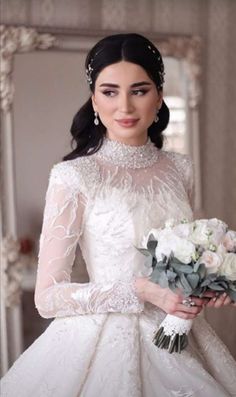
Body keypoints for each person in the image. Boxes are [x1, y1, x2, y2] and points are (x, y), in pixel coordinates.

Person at [1, 33, 236, 397]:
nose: (124, 106)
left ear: (159, 96)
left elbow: (183, 256)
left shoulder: (180, 168)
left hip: (179, 336)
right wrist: (138, 290)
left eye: (139, 91)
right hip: (102, 340)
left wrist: (208, 284)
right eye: (109, 91)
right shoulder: (75, 176)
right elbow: (47, 298)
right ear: (94, 99)